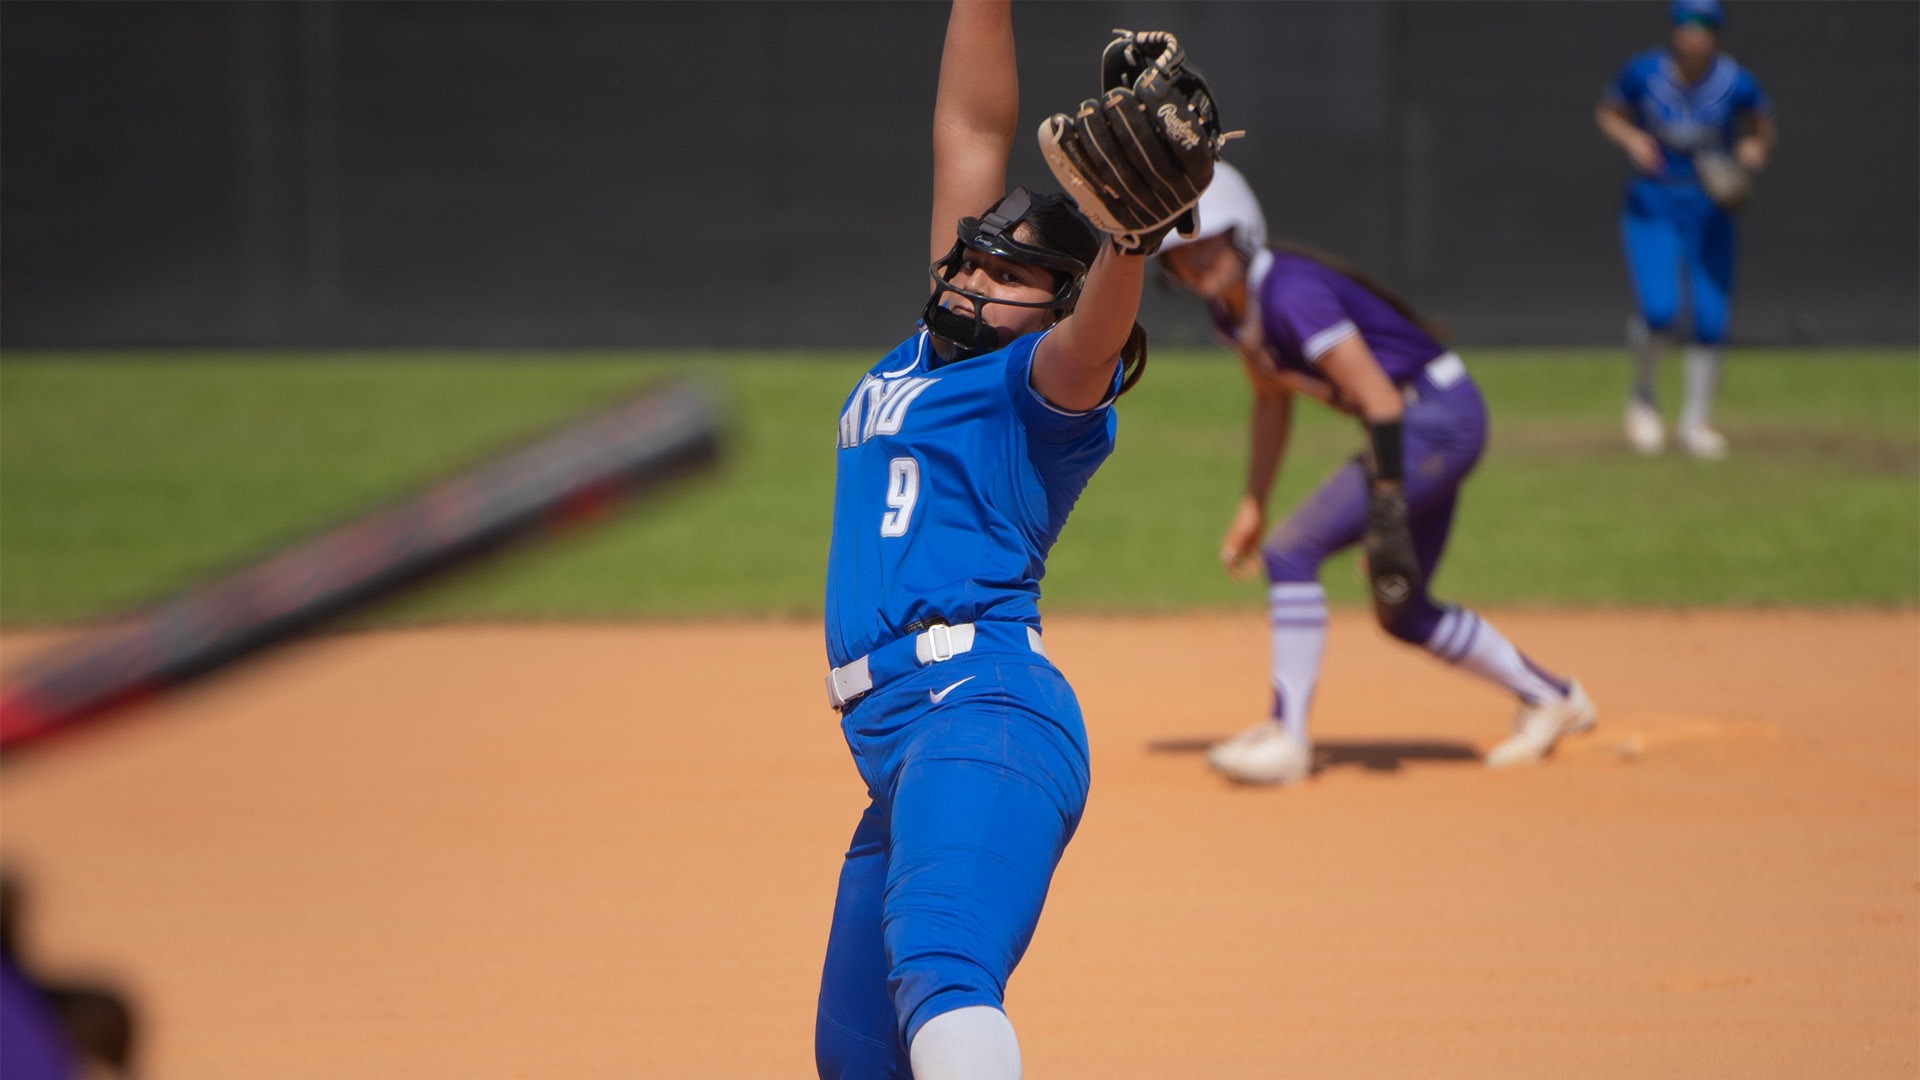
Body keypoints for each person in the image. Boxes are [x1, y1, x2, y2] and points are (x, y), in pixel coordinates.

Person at [812, 4, 1222, 1076]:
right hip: (899, 750)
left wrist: (1129, 239)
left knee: (943, 970)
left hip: (983, 715)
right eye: (973, 259)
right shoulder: (926, 352)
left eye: (1007, 276)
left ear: (1057, 307)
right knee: (857, 1058)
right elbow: (968, 125)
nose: (972, 277)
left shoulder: (1036, 386)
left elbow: (1095, 340)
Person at [1154, 161, 1596, 787]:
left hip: (1433, 419)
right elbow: (1271, 399)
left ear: (1242, 231)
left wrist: (1385, 510)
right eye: (1179, 254)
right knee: (1403, 609)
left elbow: (1383, 402)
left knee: (1293, 551)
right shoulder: (1232, 312)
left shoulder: (1289, 294)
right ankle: (1555, 698)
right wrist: (1254, 499)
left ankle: (1288, 736)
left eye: (1207, 240)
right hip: (1419, 425)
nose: (1196, 261)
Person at [1596, 0, 1775, 459]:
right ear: (1673, 30)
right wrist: (1633, 138)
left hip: (1708, 206)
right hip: (1653, 201)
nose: (1694, 35)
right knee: (1659, 310)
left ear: (1717, 33)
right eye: (1686, 25)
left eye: (1704, 26)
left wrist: (1752, 152)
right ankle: (1643, 396)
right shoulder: (1645, 73)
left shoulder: (1734, 82)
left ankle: (1696, 421)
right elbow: (1610, 111)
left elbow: (1760, 126)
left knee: (1712, 317)